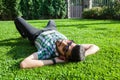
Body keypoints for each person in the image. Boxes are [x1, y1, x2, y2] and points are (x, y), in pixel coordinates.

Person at [14, 17, 99, 69]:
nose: (64, 43)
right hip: (52, 30)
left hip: (37, 34)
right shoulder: (75, 48)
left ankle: (24, 35)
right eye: (69, 42)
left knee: (18, 19)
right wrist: (83, 54)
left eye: (65, 49)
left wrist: (54, 61)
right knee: (52, 21)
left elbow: (24, 64)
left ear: (62, 56)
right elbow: (95, 46)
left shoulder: (47, 51)